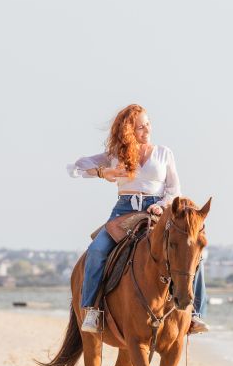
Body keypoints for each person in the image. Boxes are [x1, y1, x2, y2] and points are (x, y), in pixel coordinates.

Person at [67, 104, 209, 335]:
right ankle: (91, 310)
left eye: (148, 124)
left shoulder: (164, 152)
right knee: (96, 251)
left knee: (191, 252)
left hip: (159, 212)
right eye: (140, 127)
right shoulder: (115, 156)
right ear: (128, 131)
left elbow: (174, 189)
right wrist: (104, 173)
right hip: (124, 212)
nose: (146, 129)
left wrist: (161, 204)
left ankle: (195, 314)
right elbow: (76, 167)